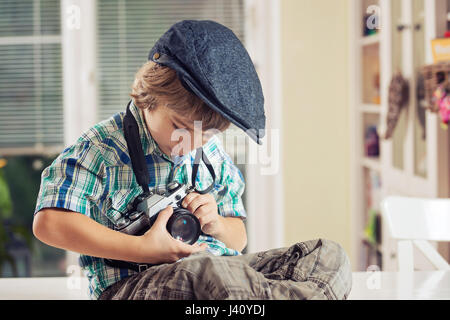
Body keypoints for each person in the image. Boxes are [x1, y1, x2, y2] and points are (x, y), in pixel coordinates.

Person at [33, 20, 352, 300]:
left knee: (326, 255)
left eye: (208, 134)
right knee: (207, 273)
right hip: (133, 284)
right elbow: (49, 223)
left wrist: (215, 222)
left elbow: (238, 238)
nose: (192, 144)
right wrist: (143, 249)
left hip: (224, 274)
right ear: (150, 96)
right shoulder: (102, 148)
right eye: (180, 128)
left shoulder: (210, 155)